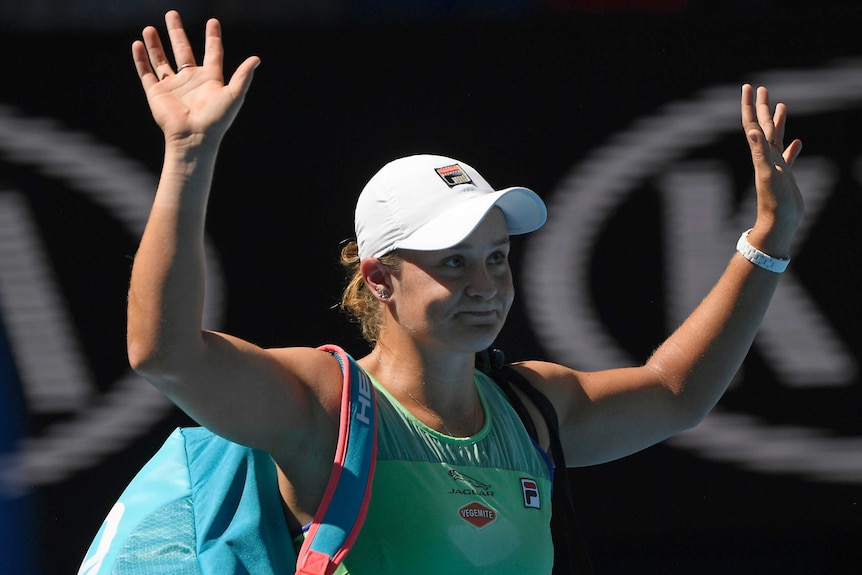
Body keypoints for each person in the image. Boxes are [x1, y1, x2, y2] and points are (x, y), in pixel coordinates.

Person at [124, 10, 804, 574]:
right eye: (453, 262)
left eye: (497, 259)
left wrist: (767, 240)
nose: (487, 285)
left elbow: (677, 391)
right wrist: (188, 154)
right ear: (379, 278)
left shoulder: (533, 410)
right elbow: (166, 353)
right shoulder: (322, 407)